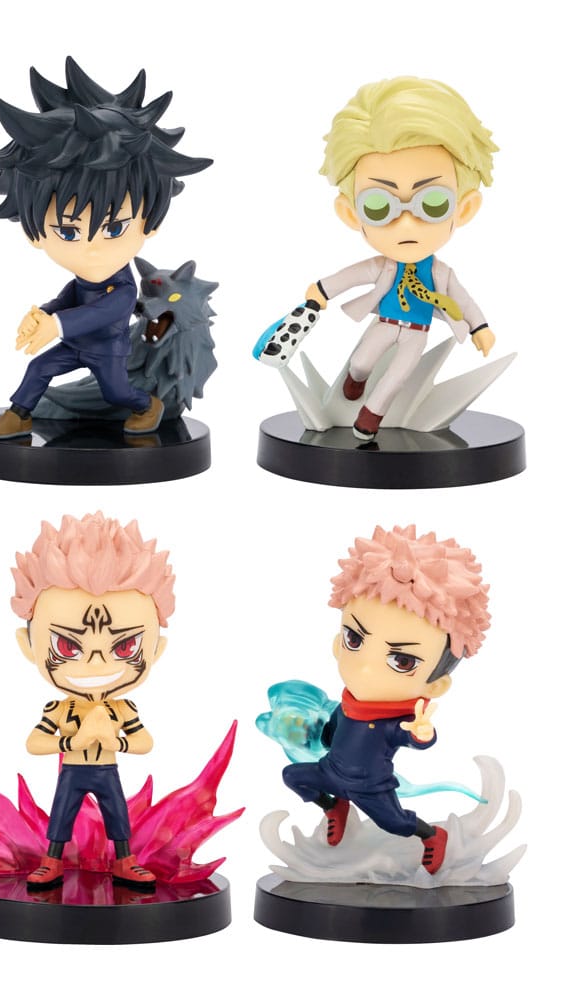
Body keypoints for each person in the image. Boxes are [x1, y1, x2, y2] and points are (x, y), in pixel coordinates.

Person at [0, 58, 211, 438]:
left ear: (152, 223)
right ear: (34, 235)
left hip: (107, 352)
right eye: (68, 232)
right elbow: (71, 297)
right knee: (38, 368)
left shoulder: (125, 290)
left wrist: (56, 324)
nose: (93, 249)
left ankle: (146, 404)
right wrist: (44, 313)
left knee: (116, 392)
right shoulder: (84, 281)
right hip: (73, 344)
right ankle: (19, 415)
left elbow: (101, 311)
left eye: (114, 228)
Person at [282, 525, 491, 873]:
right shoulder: (347, 705)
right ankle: (333, 807)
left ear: (436, 684)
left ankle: (431, 835)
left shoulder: (393, 722)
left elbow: (418, 738)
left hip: (370, 787)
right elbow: (331, 733)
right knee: (292, 776)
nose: (365, 667)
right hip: (330, 772)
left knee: (395, 823)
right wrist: (312, 732)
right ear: (337, 642)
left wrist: (422, 731)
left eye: (402, 661)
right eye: (353, 639)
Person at [303, 78, 498, 440]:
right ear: (351, 214)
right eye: (379, 206)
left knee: (397, 376)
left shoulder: (441, 273)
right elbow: (350, 276)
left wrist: (480, 328)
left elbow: (465, 301)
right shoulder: (384, 266)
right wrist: (321, 290)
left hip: (416, 333)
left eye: (432, 203)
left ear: (464, 208)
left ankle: (370, 417)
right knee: (361, 361)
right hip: (384, 323)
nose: (406, 222)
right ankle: (356, 380)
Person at [11, 512, 174, 887]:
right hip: (73, 768)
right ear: (29, 646)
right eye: (68, 647)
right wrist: (74, 741)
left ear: (156, 650)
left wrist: (115, 741)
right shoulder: (60, 709)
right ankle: (52, 860)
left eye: (125, 646)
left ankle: (124, 860)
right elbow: (34, 743)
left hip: (106, 768)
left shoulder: (123, 709)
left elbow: (144, 742)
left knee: (118, 813)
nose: (97, 663)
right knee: (61, 813)